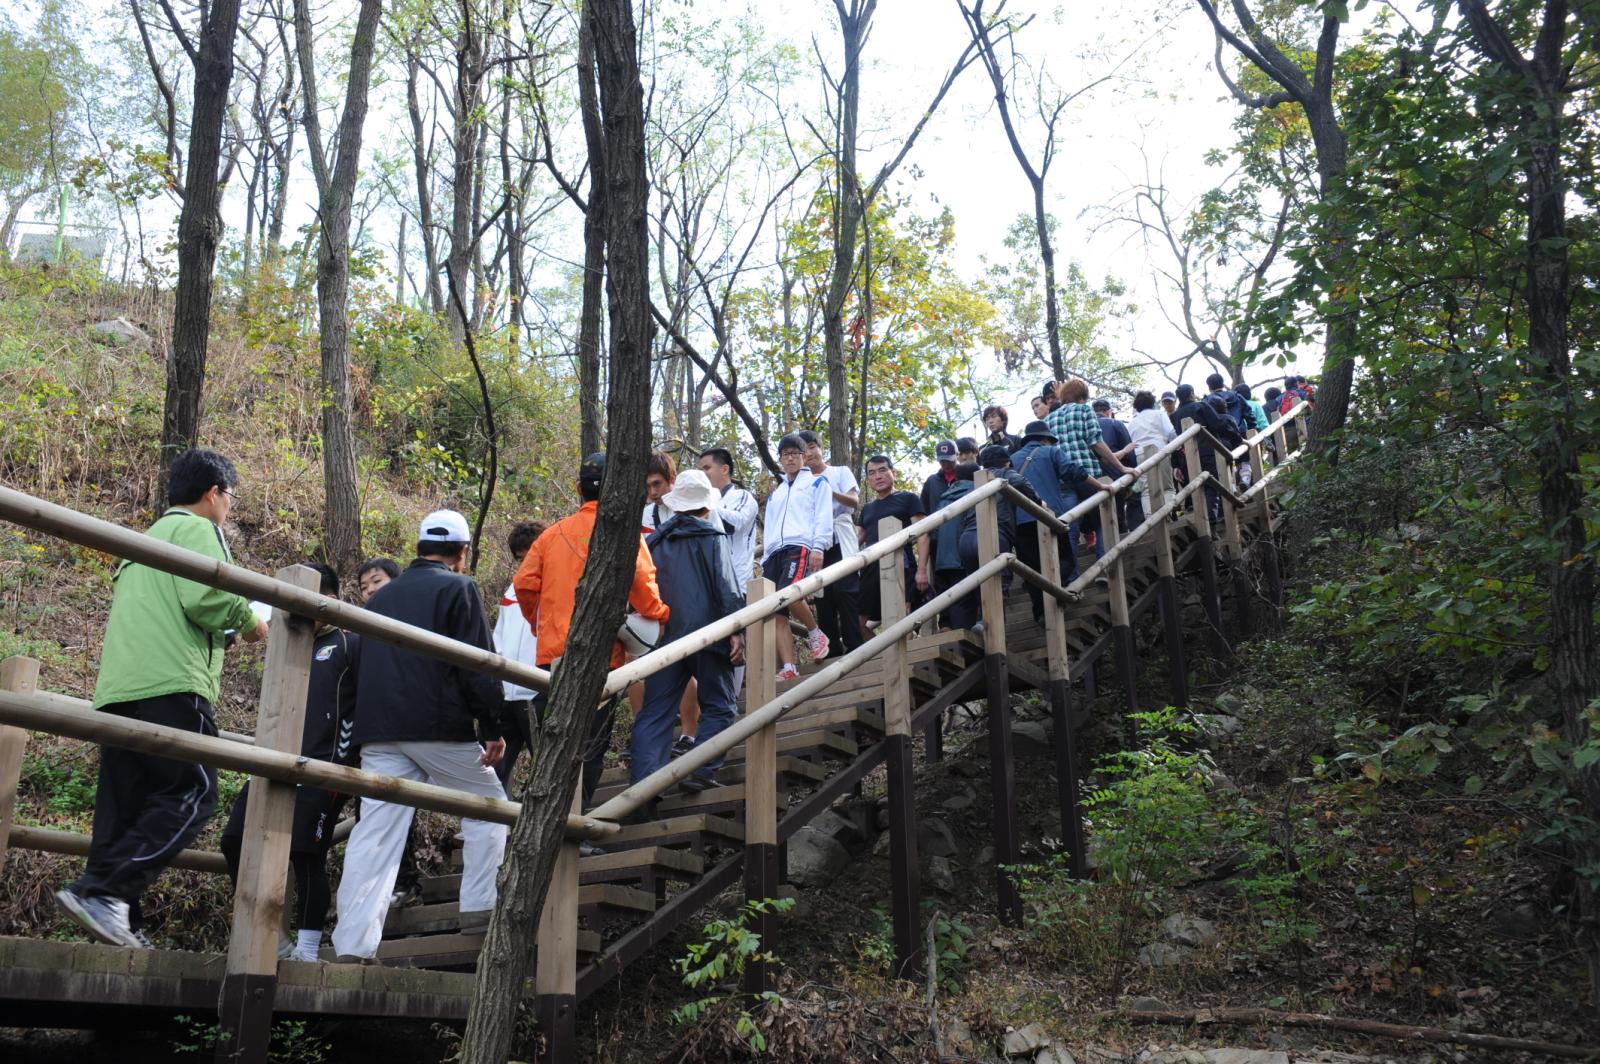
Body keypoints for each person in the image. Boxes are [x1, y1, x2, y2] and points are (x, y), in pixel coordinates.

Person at [54, 448, 268, 949]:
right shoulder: (198, 529)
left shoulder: (142, 541)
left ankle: (111, 912)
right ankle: (105, 892)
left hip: (119, 689)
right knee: (192, 793)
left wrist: (225, 634)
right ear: (213, 493)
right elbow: (209, 598)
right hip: (172, 684)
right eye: (229, 498)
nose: (229, 508)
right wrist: (251, 621)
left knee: (124, 808)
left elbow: (172, 609)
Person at [331, 510, 508, 958]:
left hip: (379, 732)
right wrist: (491, 726)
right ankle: (478, 909)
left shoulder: (381, 599)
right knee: (492, 810)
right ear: (463, 553)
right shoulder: (459, 587)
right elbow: (478, 663)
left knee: (375, 833)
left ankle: (353, 943)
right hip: (436, 726)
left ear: (419, 547)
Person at [515, 453, 671, 809]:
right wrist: (659, 615)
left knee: (552, 742)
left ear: (577, 489)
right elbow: (643, 585)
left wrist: (543, 623)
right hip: (602, 658)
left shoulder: (551, 535)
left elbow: (524, 585)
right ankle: (576, 826)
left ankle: (545, 820)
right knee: (590, 744)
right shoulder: (623, 532)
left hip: (553, 653)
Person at [220, 561, 356, 963]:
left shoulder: (351, 643)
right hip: (276, 758)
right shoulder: (289, 641)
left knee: (305, 852)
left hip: (326, 765)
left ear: (330, 600)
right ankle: (274, 937)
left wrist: (349, 762)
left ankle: (309, 950)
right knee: (234, 840)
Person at [632, 471, 746, 790]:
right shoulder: (712, 537)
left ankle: (643, 787)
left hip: (663, 639)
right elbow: (727, 586)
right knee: (720, 705)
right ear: (707, 508)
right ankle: (701, 770)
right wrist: (737, 630)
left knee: (655, 713)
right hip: (708, 636)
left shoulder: (652, 542)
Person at [697, 447, 760, 753]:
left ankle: (731, 705)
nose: (704, 473)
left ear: (725, 469)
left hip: (737, 580)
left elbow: (736, 523)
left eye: (707, 467)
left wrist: (707, 505)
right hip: (707, 584)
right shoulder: (698, 505)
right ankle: (714, 708)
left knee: (737, 644)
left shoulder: (743, 497)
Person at [1009, 421, 1106, 618]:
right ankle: (1062, 592)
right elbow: (1073, 471)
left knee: (1032, 572)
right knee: (1066, 561)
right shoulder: (1051, 452)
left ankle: (1041, 614)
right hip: (1049, 518)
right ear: (1045, 439)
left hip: (1020, 522)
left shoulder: (1012, 459)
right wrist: (1100, 486)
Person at [760, 434, 833, 679]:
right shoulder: (776, 493)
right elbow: (769, 526)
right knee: (775, 611)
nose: (790, 458)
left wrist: (818, 547)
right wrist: (764, 558)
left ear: (804, 457)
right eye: (785, 454)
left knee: (788, 593)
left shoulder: (816, 483)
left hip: (799, 546)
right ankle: (789, 668)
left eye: (795, 453)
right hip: (774, 553)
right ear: (780, 459)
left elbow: (823, 516)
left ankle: (815, 633)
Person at [1046, 379, 1136, 561]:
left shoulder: (1049, 419)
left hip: (1062, 479)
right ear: (1083, 397)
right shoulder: (1084, 410)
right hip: (1088, 475)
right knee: (1103, 521)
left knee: (1069, 526)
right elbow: (1096, 442)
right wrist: (1121, 467)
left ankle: (1071, 578)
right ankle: (1105, 566)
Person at [954, 446, 1041, 630]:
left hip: (966, 539)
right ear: (1008, 462)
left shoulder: (974, 482)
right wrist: (1039, 503)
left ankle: (983, 624)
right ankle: (994, 636)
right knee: (999, 582)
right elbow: (1021, 484)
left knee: (979, 583)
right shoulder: (1005, 474)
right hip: (994, 533)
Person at [800, 429, 863, 656]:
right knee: (823, 597)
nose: (809, 453)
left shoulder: (839, 472)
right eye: (803, 449)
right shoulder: (801, 483)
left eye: (812, 446)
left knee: (846, 591)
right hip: (816, 540)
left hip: (840, 533)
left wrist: (828, 490)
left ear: (820, 448)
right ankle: (832, 651)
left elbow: (854, 502)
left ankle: (855, 646)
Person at [492, 521, 544, 791]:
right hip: (506, 695)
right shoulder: (512, 591)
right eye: (521, 558)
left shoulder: (557, 587)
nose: (526, 563)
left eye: (531, 555)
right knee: (493, 773)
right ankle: (496, 830)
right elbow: (498, 638)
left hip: (537, 694)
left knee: (547, 769)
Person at [856, 455, 925, 631]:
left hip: (903, 564)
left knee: (903, 617)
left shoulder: (908, 498)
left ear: (893, 473)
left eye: (882, 470)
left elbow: (923, 534)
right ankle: (877, 657)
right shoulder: (867, 508)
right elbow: (855, 541)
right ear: (868, 479)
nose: (877, 476)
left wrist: (922, 571)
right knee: (858, 622)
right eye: (872, 473)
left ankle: (907, 656)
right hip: (871, 568)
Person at [1170, 383, 1244, 525]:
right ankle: (1213, 521)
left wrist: (1176, 464)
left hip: (1188, 456)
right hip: (1208, 450)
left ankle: (1204, 522)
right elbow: (1216, 423)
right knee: (1213, 485)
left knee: (1199, 487)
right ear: (1192, 393)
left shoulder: (1175, 415)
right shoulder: (1201, 406)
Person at [1092, 397, 1142, 531]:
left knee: (1100, 519)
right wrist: (1132, 482)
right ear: (1108, 411)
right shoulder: (1115, 424)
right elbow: (1130, 453)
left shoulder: (1087, 427)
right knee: (1119, 513)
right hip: (1115, 474)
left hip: (1092, 477)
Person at [1127, 390, 1178, 511]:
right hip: (1160, 450)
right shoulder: (1159, 414)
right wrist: (1178, 446)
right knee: (1167, 487)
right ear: (1152, 403)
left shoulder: (1132, 422)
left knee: (1146, 490)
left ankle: (1151, 520)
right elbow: (1171, 433)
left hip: (1140, 454)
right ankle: (1167, 515)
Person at [641, 451, 677, 533]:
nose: (652, 492)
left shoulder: (694, 510)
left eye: (656, 484)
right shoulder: (646, 515)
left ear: (672, 479)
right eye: (648, 486)